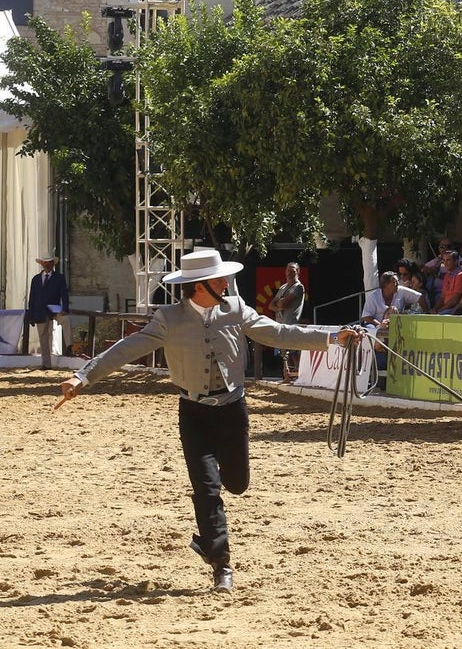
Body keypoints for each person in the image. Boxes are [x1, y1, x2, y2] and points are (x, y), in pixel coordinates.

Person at [58, 249, 362, 592]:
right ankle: (221, 562)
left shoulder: (236, 309)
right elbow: (127, 348)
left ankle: (210, 539)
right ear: (201, 286)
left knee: (237, 484)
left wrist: (334, 337)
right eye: (219, 278)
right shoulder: (168, 319)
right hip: (194, 414)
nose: (226, 282)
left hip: (233, 409)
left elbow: (278, 333)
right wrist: (82, 377)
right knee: (206, 488)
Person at [27, 251, 70, 370]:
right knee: (43, 337)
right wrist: (31, 315)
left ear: (52, 264)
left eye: (49, 263)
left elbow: (64, 294)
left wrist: (65, 308)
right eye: (45, 263)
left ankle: (69, 346)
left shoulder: (59, 278)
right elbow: (32, 298)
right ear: (41, 264)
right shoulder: (35, 279)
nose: (47, 265)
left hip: (54, 308)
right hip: (40, 310)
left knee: (65, 320)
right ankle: (46, 364)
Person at [267, 262, 305, 382]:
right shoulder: (283, 287)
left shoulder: (298, 287)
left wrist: (280, 303)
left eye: (293, 270)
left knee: (293, 353)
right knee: (284, 354)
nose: (289, 273)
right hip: (280, 324)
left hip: (291, 324)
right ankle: (288, 376)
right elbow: (271, 305)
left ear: (298, 272)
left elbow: (284, 303)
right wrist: (280, 305)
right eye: (288, 270)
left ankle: (299, 377)